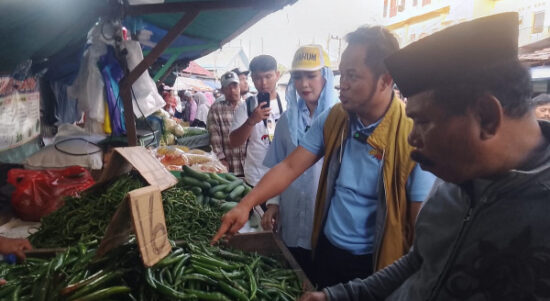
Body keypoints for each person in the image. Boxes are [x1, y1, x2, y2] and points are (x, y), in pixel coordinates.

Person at [300, 12, 550, 301]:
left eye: (424, 122)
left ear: (486, 117)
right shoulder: (453, 183)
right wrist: (338, 296)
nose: (411, 138)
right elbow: (418, 261)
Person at [214, 26, 436, 288]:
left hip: (375, 264)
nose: (343, 84)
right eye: (343, 74)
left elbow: (420, 229)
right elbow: (289, 166)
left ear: (385, 80)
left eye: (353, 76)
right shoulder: (335, 119)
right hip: (327, 249)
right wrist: (246, 204)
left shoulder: (414, 138)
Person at [261, 45, 338, 279]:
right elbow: (278, 163)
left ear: (325, 76)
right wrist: (273, 203)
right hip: (292, 213)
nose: (304, 84)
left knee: (321, 276)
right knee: (294, 274)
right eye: (297, 77)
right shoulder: (287, 120)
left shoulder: (340, 117)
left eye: (311, 76)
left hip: (325, 217)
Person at [229, 55, 284, 186]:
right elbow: (234, 141)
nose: (263, 83)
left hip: (284, 176)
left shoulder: (289, 103)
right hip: (256, 178)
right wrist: (251, 121)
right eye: (258, 78)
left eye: (268, 76)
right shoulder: (246, 107)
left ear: (277, 75)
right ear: (252, 78)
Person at [207, 71, 246, 175]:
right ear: (222, 90)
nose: (232, 90)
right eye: (228, 87)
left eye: (235, 86)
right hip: (229, 165)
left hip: (249, 165)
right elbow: (215, 136)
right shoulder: (216, 108)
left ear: (239, 86)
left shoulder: (248, 106)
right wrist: (221, 159)